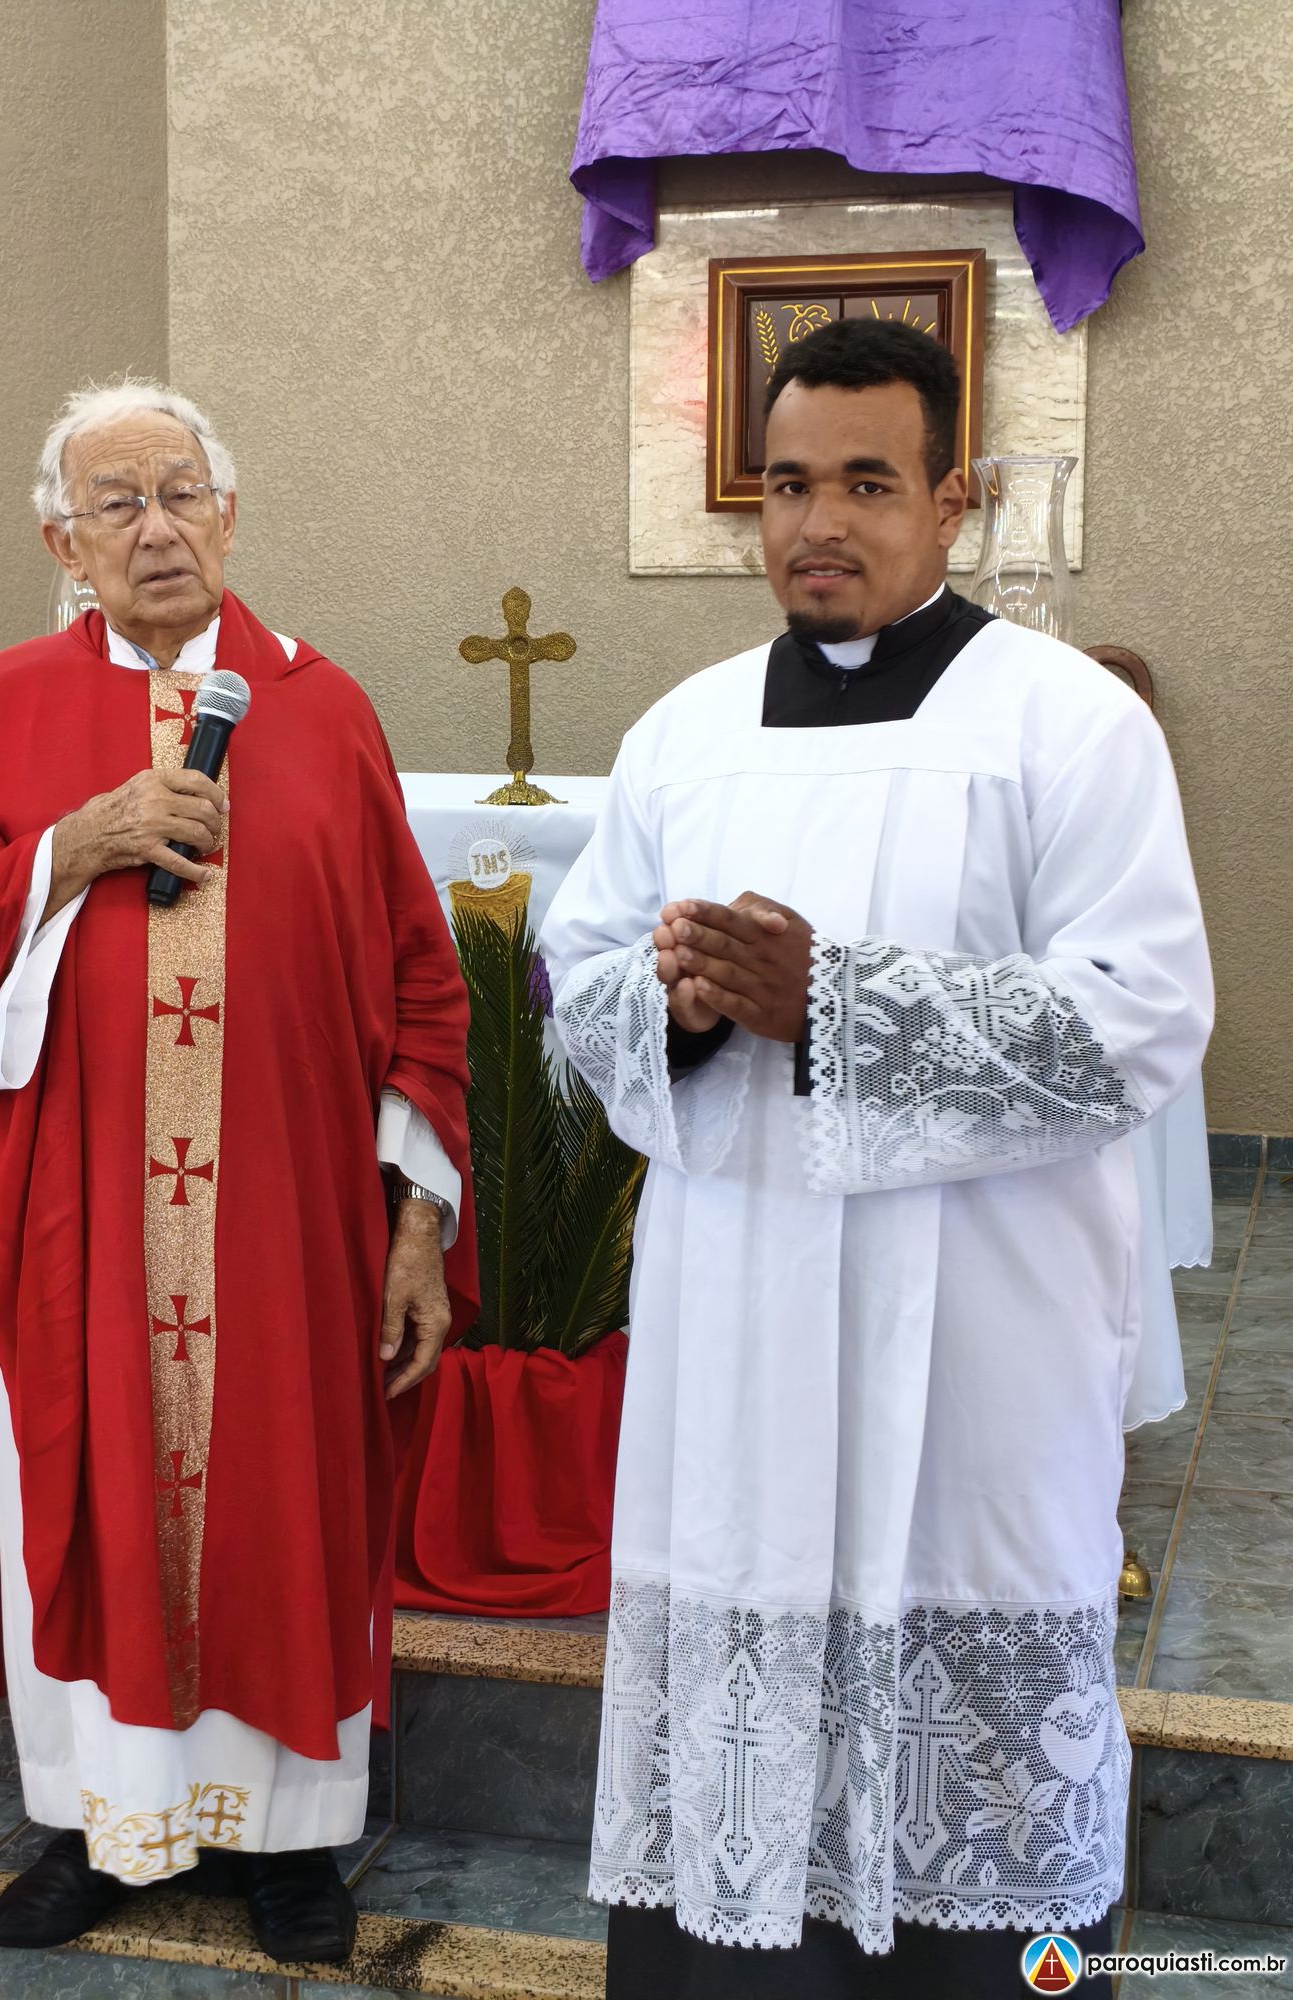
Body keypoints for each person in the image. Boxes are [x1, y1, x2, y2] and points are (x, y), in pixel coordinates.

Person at [541, 319, 1212, 1998]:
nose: (820, 523)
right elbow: (579, 976)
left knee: (963, 1710)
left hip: (980, 1331)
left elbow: (1142, 1013)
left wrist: (833, 1003)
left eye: (867, 482)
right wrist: (679, 1009)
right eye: (787, 486)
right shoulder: (686, 731)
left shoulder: (1066, 724)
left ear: (952, 500)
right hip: (734, 1326)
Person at [0, 381, 477, 1965]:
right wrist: (80, 843)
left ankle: (295, 1846)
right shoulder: (4, 706)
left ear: (231, 515)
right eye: (115, 503)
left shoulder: (325, 709)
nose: (156, 528)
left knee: (283, 1506)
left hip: (287, 1218)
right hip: (70, 1217)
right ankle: (95, 1831)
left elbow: (420, 977)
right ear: (63, 546)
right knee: (82, 1494)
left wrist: (417, 1222)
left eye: (180, 492)